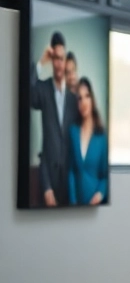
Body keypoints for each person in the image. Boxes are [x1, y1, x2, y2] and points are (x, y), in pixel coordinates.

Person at [30, 31, 81, 206]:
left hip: (70, 187)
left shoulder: (74, 100)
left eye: (62, 58)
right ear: (52, 60)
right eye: (56, 59)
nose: (59, 64)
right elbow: (27, 95)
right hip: (47, 184)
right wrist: (39, 63)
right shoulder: (43, 90)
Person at [67, 78, 108, 206]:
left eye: (87, 96)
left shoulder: (101, 136)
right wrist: (73, 202)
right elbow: (71, 171)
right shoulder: (73, 131)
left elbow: (105, 176)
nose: (83, 102)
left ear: (92, 100)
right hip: (76, 205)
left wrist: (100, 194)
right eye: (80, 98)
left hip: (95, 206)